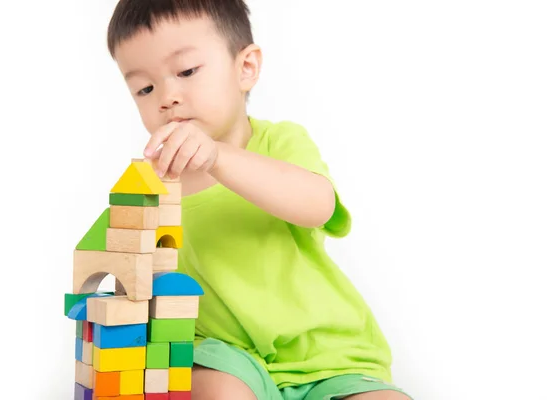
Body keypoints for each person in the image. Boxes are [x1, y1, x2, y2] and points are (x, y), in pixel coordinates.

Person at [106, 1, 412, 399]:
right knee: (216, 388)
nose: (167, 97)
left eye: (186, 71)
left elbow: (318, 205)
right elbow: (128, 271)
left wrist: (218, 158)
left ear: (245, 68)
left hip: (326, 354)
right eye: (144, 88)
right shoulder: (152, 181)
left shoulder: (279, 142)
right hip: (222, 354)